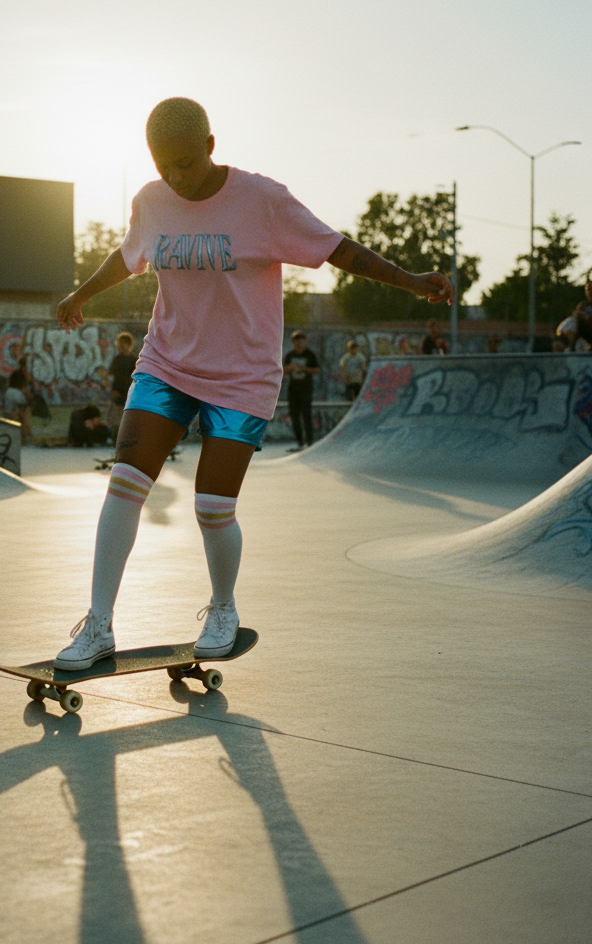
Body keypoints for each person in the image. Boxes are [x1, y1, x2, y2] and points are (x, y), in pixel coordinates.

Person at [51, 96, 453, 670]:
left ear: (211, 147)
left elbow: (335, 249)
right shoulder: (151, 200)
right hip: (167, 363)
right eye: (163, 164)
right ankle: (98, 625)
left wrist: (410, 281)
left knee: (212, 505)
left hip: (242, 376)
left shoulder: (263, 201)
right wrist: (81, 293)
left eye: (186, 163)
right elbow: (128, 255)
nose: (175, 176)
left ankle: (222, 607)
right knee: (124, 483)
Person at [282, 331, 320, 451]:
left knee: (306, 415)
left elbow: (316, 370)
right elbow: (283, 373)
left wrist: (302, 368)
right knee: (294, 416)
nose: (298, 345)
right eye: (296, 342)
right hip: (292, 391)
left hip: (306, 390)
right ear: (293, 343)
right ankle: (300, 441)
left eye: (301, 342)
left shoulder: (309, 355)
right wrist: (289, 368)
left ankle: (309, 440)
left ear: (304, 342)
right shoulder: (289, 356)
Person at [105, 332, 137, 440]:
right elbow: (111, 374)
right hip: (117, 393)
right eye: (118, 345)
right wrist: (112, 389)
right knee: (116, 420)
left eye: (121, 345)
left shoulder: (134, 360)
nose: (119, 347)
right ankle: (117, 441)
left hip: (129, 393)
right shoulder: (117, 359)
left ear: (128, 345)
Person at [3, 369, 32, 441]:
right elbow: (23, 410)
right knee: (25, 413)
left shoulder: (8, 391)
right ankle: (26, 435)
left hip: (8, 416)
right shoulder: (18, 393)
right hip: (16, 420)